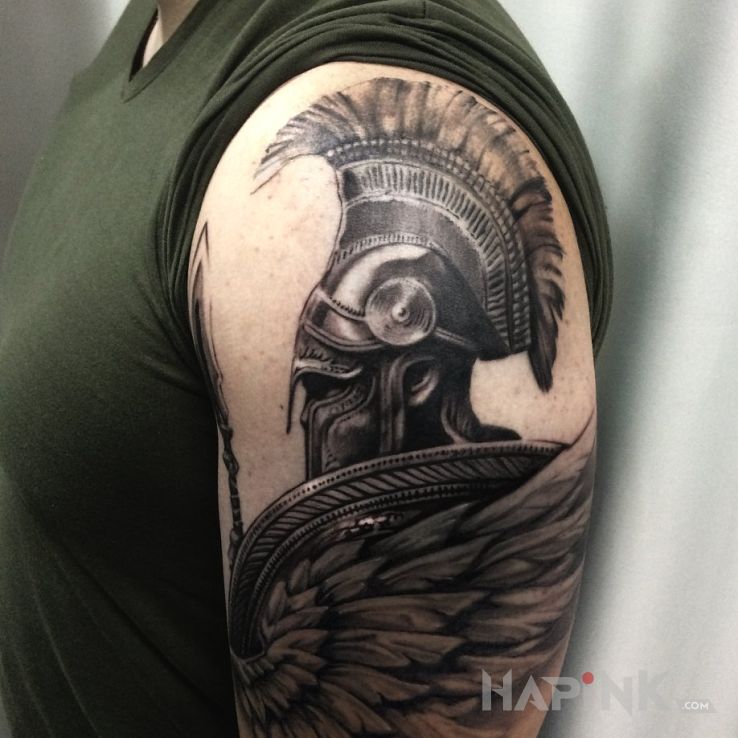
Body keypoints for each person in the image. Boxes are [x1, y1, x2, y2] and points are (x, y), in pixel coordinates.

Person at [0, 0, 611, 736]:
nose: (310, 421)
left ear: (417, 378)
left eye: (328, 386)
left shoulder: (307, 110)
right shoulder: (161, 25)